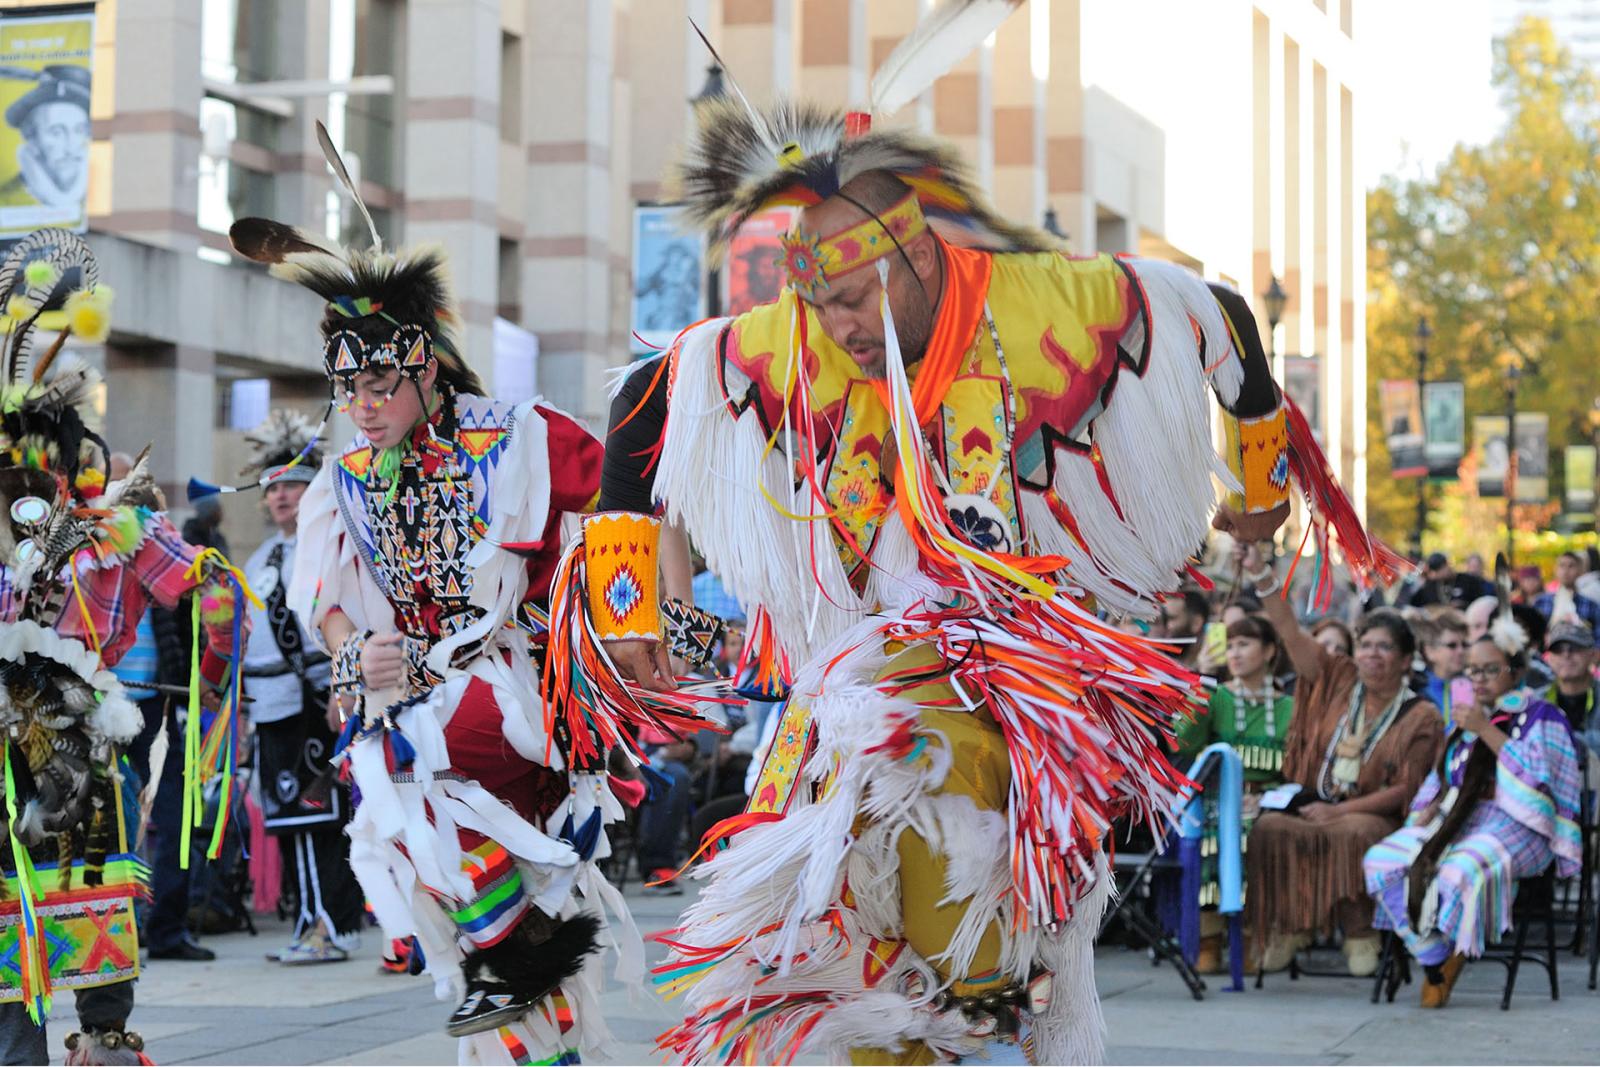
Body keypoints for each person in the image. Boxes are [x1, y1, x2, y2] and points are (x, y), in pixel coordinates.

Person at [585, 18, 1400, 1060]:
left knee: (970, 908)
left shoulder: (1044, 297)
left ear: (916, 253)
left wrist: (1258, 490)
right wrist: (622, 610)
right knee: (822, 959)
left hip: (1017, 673)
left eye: (849, 297)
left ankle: (980, 998)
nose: (833, 325)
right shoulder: (791, 338)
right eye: (816, 303)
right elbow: (643, 400)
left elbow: (1221, 315)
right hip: (847, 683)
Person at [224, 142, 686, 1060]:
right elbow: (328, 595)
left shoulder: (517, 436)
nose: (360, 403)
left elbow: (626, 511)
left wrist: (645, 623)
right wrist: (356, 652)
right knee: (424, 830)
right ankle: (531, 1008)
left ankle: (515, 955)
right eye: (347, 385)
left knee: (417, 767)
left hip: (527, 685)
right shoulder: (343, 477)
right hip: (424, 696)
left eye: (379, 381)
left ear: (428, 368)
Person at [0, 231, 245, 1064]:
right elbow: (206, 589)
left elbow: (208, 589)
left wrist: (211, 683)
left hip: (80, 749)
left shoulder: (118, 527)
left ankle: (95, 1044)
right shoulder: (61, 526)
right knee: (16, 947)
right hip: (24, 754)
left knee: (91, 937)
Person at [1238, 542, 1442, 978]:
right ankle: (1293, 927)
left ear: (1406, 660)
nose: (1371, 653)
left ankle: (1360, 932)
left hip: (1372, 815)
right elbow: (1291, 634)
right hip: (1318, 800)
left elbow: (1408, 790)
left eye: (1384, 647)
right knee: (1271, 827)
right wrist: (1262, 576)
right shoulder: (1339, 678)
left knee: (1353, 832)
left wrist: (1338, 810)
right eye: (1365, 644)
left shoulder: (1421, 715)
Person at [1363, 618, 1582, 1008]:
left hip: (1522, 827)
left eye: (1489, 669)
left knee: (1460, 870)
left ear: (1514, 670)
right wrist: (1427, 807)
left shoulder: (1542, 717)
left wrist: (1485, 729)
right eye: (1473, 670)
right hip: (1460, 822)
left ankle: (1453, 951)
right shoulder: (1465, 721)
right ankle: (1433, 952)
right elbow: (1442, 776)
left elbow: (1540, 785)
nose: (1479, 678)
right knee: (1382, 859)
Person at [238, 410, 364, 965]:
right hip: (269, 708)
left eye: (293, 485)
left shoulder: (331, 541)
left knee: (319, 816)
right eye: (274, 489)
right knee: (289, 819)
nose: (283, 497)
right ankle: (307, 921)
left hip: (316, 701)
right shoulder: (260, 558)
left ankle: (331, 927)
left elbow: (346, 618)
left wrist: (345, 689)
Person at [1175, 615, 1294, 972]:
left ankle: (1250, 936)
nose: (1235, 653)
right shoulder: (1216, 695)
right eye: (1229, 645)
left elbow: (1297, 766)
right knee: (1214, 835)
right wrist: (1202, 682)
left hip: (1268, 801)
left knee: (1260, 834)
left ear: (1270, 650)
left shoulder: (1289, 706)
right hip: (1215, 801)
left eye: (1244, 644)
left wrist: (1267, 797)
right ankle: (1209, 939)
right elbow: (1182, 740)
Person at [0, 65, 89, 211]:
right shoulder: (5, 201)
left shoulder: (90, 199)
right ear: (32, 139)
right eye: (56, 132)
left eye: (79, 131)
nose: (71, 148)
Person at [1543, 621, 1598, 752]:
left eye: (1575, 648)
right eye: (1557, 650)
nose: (1566, 655)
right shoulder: (1536, 702)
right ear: (1548, 658)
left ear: (1593, 655)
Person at [1416, 608, 1469, 712]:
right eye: (1452, 645)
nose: (1461, 651)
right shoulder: (1416, 689)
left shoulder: (1476, 686)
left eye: (1465, 644)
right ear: (1430, 651)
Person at [1534, 550, 1600, 630]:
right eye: (1562, 566)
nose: (1566, 571)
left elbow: (1597, 637)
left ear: (1580, 571)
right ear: (1556, 570)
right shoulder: (1541, 602)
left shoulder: (1590, 605)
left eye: (1571, 566)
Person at [1408, 552, 1493, 611]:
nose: (1437, 575)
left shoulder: (1468, 580)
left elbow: (1482, 602)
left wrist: (1463, 605)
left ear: (1446, 565)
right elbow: (1413, 604)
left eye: (1439, 570)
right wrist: (1421, 580)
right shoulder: (1431, 584)